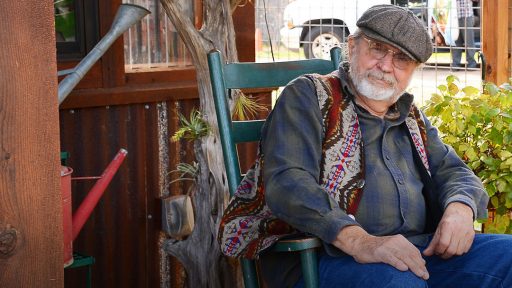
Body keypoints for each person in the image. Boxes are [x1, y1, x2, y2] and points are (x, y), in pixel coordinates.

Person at [218, 4, 512, 288]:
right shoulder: (309, 96)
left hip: (418, 252)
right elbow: (287, 182)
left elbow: (455, 171)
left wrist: (461, 208)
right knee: (398, 282)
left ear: (413, 71)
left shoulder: (409, 116)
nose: (385, 66)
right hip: (325, 258)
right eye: (377, 49)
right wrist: (361, 241)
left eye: (401, 59)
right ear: (352, 46)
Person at [452, 0, 478, 69]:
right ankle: (455, 65)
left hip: (467, 15)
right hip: (454, 16)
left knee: (469, 41)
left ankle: (471, 64)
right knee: (456, 41)